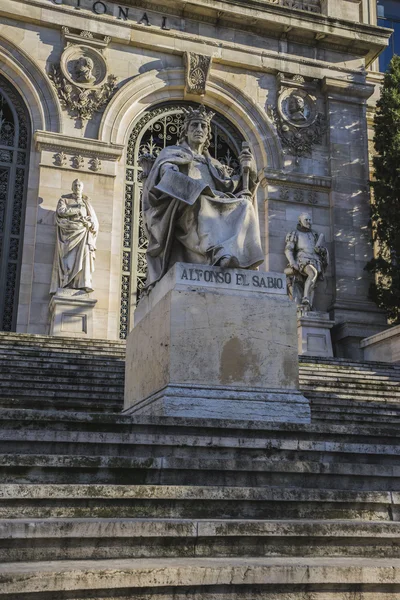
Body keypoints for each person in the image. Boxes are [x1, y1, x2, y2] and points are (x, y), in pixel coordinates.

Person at [142, 105, 264, 288]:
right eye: (194, 126)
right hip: (183, 205)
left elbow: (234, 187)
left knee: (245, 205)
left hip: (215, 201)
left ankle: (235, 256)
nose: (199, 130)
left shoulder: (213, 164)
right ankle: (218, 253)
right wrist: (194, 188)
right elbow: (167, 176)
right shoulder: (171, 153)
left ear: (208, 134)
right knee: (201, 201)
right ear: (186, 131)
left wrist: (250, 172)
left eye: (203, 126)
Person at [50, 179, 98, 293]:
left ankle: (83, 283)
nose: (77, 187)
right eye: (75, 185)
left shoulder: (86, 203)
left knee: (85, 256)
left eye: (79, 185)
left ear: (82, 188)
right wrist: (76, 210)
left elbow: (94, 222)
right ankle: (66, 283)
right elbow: (61, 211)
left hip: (83, 233)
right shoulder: (64, 199)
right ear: (72, 187)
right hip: (69, 233)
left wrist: (89, 223)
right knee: (68, 260)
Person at [284, 212, 328, 310]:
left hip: (315, 260)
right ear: (300, 221)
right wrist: (292, 262)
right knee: (312, 273)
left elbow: (322, 250)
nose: (308, 222)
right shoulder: (295, 233)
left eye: (309, 220)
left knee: (313, 285)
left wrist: (321, 250)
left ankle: (309, 306)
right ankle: (305, 298)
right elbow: (288, 249)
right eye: (306, 220)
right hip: (302, 259)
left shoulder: (314, 234)